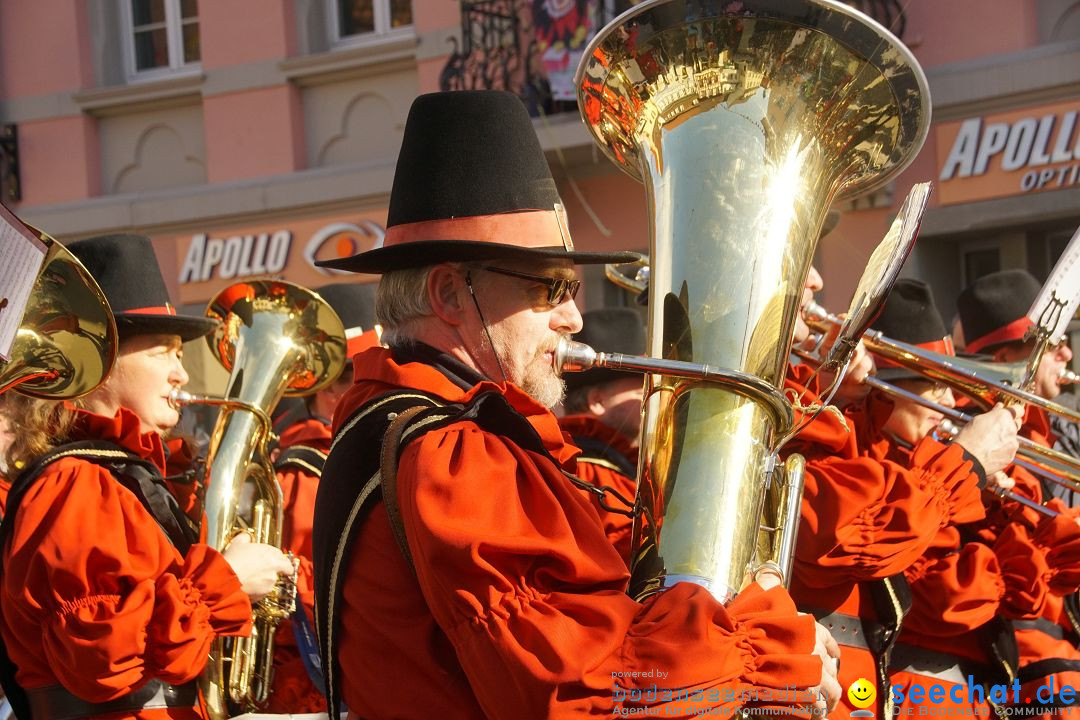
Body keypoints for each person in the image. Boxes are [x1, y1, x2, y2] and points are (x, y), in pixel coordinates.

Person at [310, 90, 840, 720]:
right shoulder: (452, 455)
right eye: (548, 290)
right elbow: (592, 689)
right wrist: (764, 650)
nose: (573, 316)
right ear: (450, 292)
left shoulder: (420, 424)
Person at [0, 234, 293, 720]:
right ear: (101, 364)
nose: (181, 373)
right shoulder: (75, 484)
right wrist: (229, 582)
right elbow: (99, 658)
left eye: (180, 354)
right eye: (163, 352)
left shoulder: (122, 476)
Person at [786, 279, 1027, 719]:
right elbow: (856, 543)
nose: (949, 401)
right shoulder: (826, 436)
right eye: (933, 384)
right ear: (883, 385)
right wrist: (964, 465)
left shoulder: (904, 458)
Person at [265, 281, 379, 714]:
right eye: (370, 378)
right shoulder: (304, 470)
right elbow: (299, 601)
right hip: (319, 688)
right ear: (332, 390)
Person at [956, 269, 1078, 502]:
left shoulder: (1061, 421)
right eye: (1052, 346)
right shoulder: (969, 436)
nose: (1068, 353)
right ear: (1003, 360)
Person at [558, 307, 643, 562]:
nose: (654, 399)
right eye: (642, 390)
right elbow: (629, 558)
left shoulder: (612, 462)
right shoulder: (590, 472)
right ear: (596, 400)